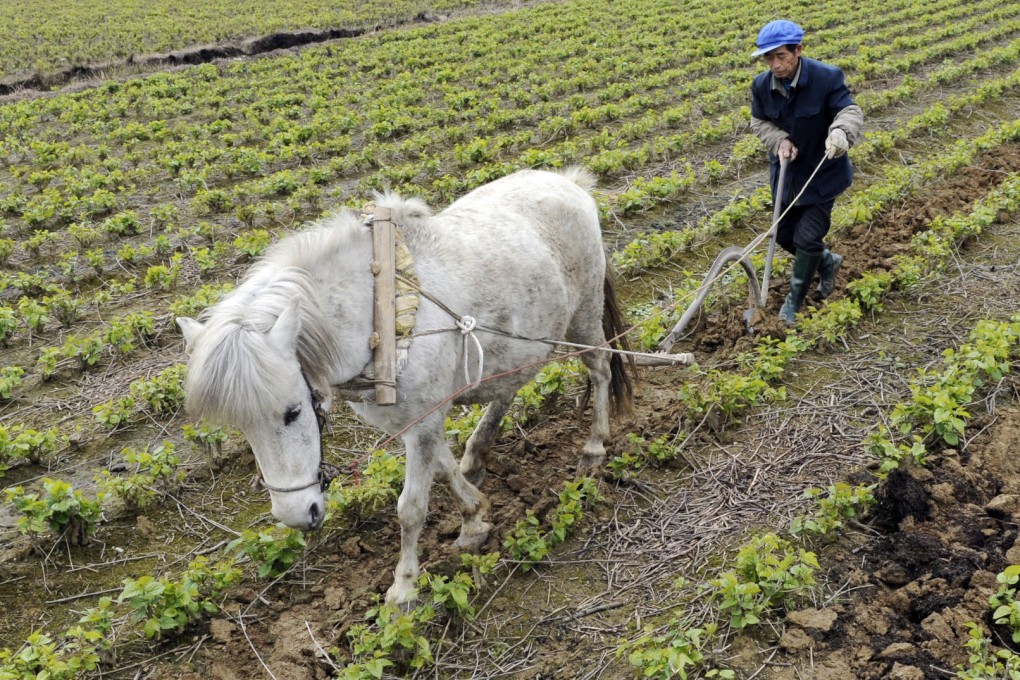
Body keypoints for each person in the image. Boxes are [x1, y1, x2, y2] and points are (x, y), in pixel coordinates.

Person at [749, 19, 864, 325]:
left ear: (798, 50)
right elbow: (759, 122)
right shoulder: (761, 86)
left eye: (781, 56)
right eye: (768, 58)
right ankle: (828, 263)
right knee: (785, 235)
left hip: (822, 174)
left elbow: (849, 110)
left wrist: (841, 132)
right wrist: (779, 140)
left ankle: (793, 302)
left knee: (808, 237)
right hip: (786, 175)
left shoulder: (826, 77)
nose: (775, 65)